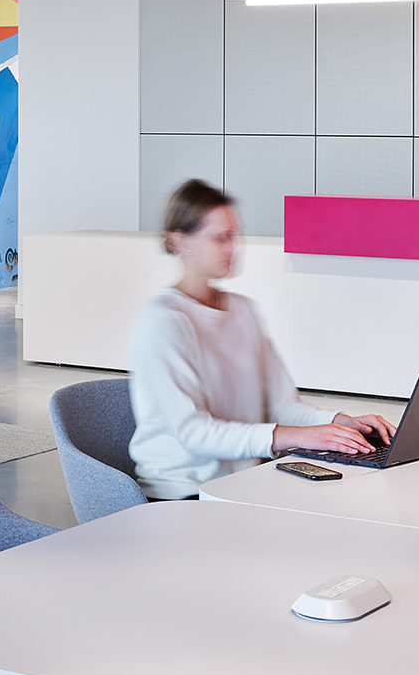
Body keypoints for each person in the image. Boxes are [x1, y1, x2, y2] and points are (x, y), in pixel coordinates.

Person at [127, 180, 392, 498]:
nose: (233, 249)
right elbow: (195, 433)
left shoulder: (243, 311)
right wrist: (302, 436)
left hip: (243, 484)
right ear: (179, 240)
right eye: (220, 238)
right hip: (182, 493)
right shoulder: (164, 321)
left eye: (234, 236)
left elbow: (281, 406)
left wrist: (340, 423)